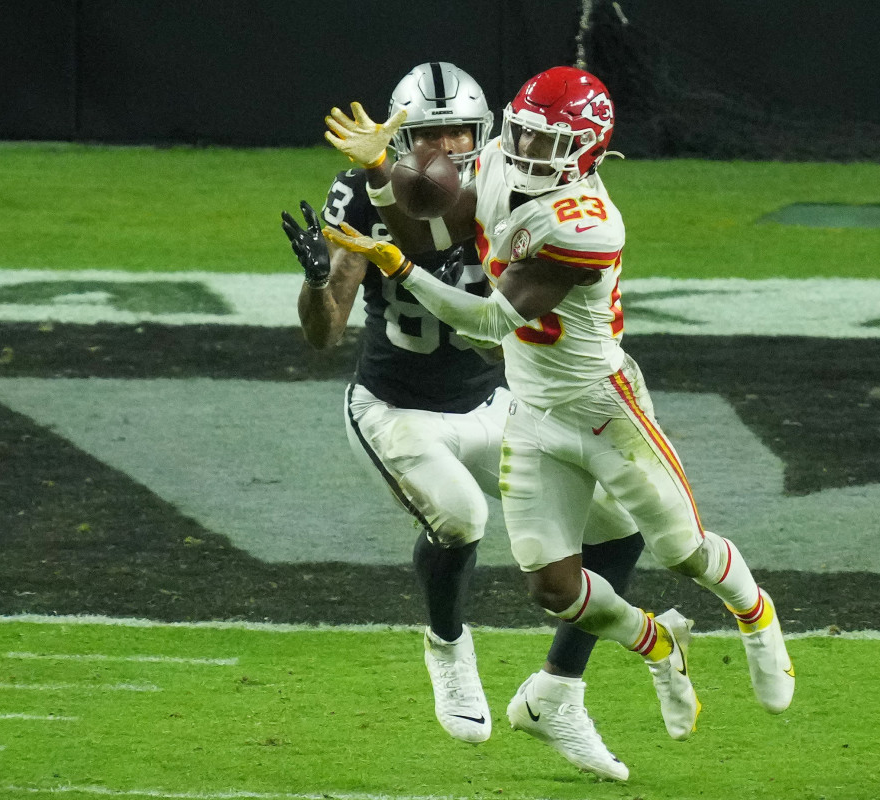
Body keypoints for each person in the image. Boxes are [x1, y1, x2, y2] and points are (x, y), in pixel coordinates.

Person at [322, 65, 796, 776]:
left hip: (603, 404)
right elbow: (440, 225)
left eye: (547, 142)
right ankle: (651, 650)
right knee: (553, 589)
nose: (527, 150)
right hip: (533, 410)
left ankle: (756, 613)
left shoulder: (588, 222)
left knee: (679, 549)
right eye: (524, 132)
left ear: (587, 152)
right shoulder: (498, 165)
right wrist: (386, 175)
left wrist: (396, 263)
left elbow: (487, 316)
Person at [283, 62, 645, 777]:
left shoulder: (516, 182)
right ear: (399, 137)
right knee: (460, 518)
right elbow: (326, 334)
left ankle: (559, 694)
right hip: (397, 408)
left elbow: (480, 277)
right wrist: (318, 279)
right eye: (430, 133)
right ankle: (448, 645)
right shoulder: (366, 191)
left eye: (461, 132)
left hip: (493, 397)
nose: (448, 146)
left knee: (620, 528)